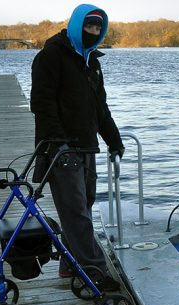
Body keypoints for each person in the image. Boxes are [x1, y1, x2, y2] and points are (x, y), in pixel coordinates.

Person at [30, 4, 124, 290]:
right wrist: (59, 142)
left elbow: (100, 107)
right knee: (76, 212)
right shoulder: (50, 56)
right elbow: (42, 104)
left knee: (83, 205)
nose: (93, 32)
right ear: (76, 25)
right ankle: (94, 271)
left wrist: (113, 139)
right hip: (61, 149)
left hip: (87, 146)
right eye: (89, 26)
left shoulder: (91, 62)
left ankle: (69, 265)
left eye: (98, 28)